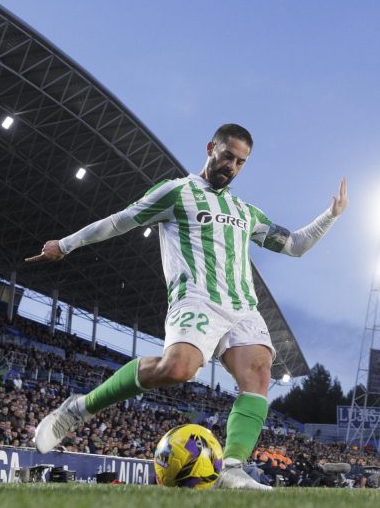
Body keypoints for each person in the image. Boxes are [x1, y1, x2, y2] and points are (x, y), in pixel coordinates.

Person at [26, 123, 347, 490]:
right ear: (212, 147)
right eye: (228, 156)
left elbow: (295, 245)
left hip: (242, 306)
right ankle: (79, 408)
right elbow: (118, 222)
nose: (232, 167)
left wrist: (332, 214)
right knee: (177, 368)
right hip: (195, 298)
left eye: (241, 162)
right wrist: (64, 244)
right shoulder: (176, 193)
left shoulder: (245, 212)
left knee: (258, 373)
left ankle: (231, 468)